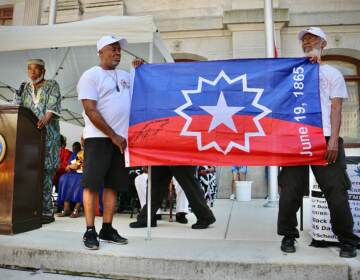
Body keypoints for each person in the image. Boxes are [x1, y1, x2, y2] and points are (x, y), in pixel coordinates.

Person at [277, 27, 359, 258]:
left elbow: (336, 108)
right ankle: (288, 235)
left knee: (335, 190)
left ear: (323, 44)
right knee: (291, 189)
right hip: (296, 138)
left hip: (324, 138)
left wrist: (333, 140)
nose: (307, 43)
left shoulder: (332, 73)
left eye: (312, 39)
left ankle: (347, 240)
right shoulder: (291, 74)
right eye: (304, 40)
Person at [77, 35, 143, 250]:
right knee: (92, 185)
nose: (117, 53)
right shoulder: (90, 76)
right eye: (112, 49)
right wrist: (113, 135)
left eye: (119, 50)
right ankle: (90, 230)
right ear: (100, 52)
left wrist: (141, 70)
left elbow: (143, 90)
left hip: (121, 141)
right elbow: (90, 109)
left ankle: (107, 227)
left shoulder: (125, 76)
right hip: (98, 139)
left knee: (113, 186)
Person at [13, 58, 61, 224]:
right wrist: (17, 95)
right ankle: (31, 209)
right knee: (29, 172)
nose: (32, 72)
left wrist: (44, 120)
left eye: (36, 69)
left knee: (46, 172)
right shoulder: (24, 88)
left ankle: (47, 211)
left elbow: (52, 108)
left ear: (43, 71)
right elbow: (16, 109)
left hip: (48, 138)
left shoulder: (52, 85)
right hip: (29, 138)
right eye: (30, 69)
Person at [129, 166, 216, 229]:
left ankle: (205, 216)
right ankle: (147, 217)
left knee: (189, 183)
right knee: (155, 184)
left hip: (179, 148)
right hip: (160, 148)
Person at [57, 143, 84, 218]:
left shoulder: (88, 152)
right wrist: (70, 166)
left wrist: (71, 166)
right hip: (76, 173)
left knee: (79, 181)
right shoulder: (81, 153)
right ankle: (66, 208)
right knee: (64, 178)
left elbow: (76, 165)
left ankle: (76, 209)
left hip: (85, 174)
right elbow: (71, 166)